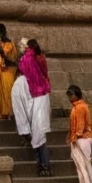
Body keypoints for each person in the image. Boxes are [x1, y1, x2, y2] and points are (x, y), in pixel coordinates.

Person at [18, 38, 54, 174]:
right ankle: (42, 165)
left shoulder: (28, 58)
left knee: (38, 135)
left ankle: (44, 165)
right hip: (39, 95)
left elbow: (25, 71)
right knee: (38, 134)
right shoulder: (38, 58)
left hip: (36, 96)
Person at [66, 85, 92, 183]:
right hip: (82, 140)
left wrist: (73, 139)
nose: (69, 98)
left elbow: (79, 128)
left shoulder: (79, 108)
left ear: (75, 95)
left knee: (83, 171)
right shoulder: (80, 106)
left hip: (80, 140)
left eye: (70, 95)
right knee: (84, 171)